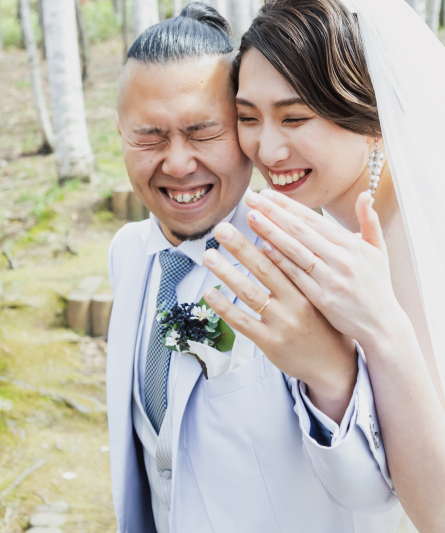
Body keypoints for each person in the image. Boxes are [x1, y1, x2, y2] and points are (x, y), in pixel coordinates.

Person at [202, 0, 445, 531]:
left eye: (295, 117)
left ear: (373, 115)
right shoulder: (346, 222)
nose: (267, 148)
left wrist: (380, 328)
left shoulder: (417, 240)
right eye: (248, 117)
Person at [106, 4, 402, 532]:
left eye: (204, 133)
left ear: (243, 130)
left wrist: (328, 374)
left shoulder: (312, 261)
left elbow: (372, 491)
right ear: (121, 135)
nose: (177, 163)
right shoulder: (126, 254)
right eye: (149, 136)